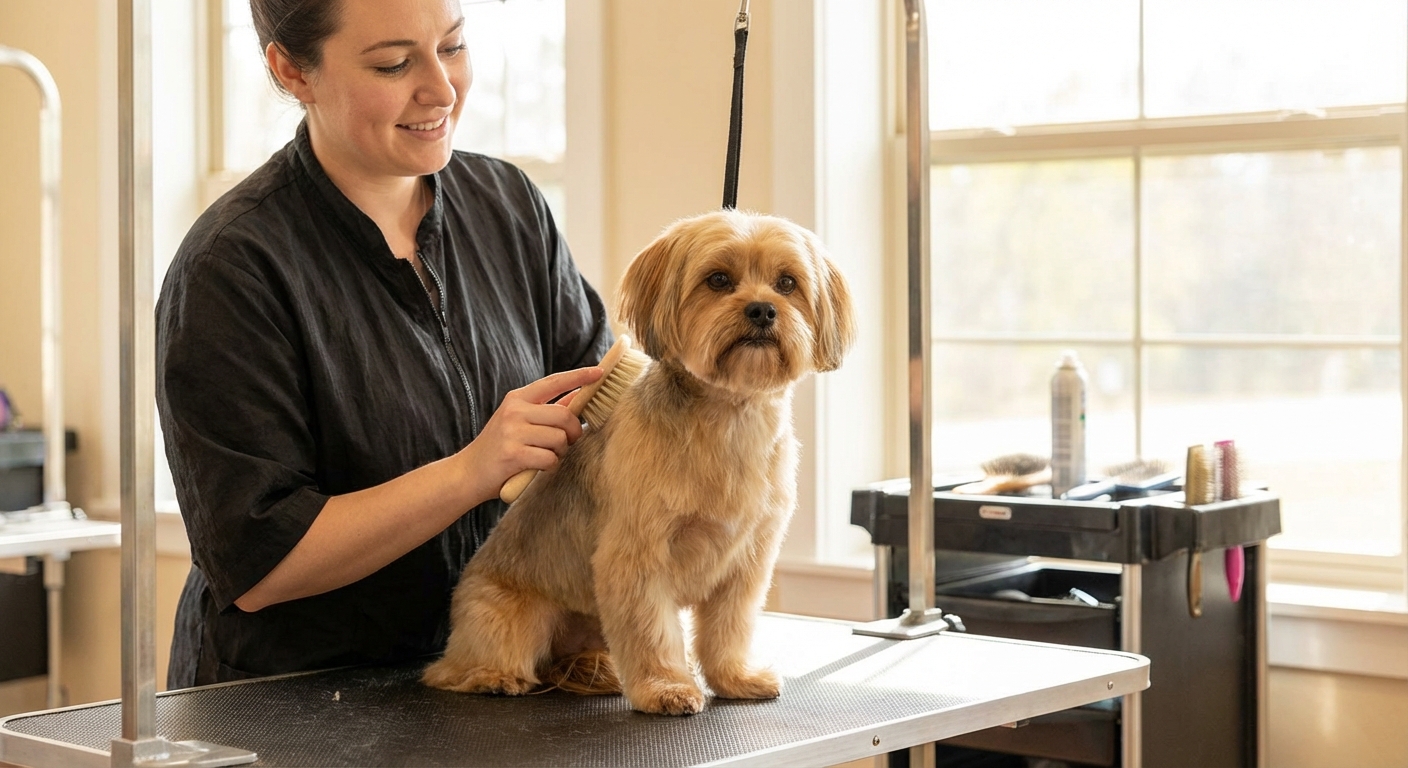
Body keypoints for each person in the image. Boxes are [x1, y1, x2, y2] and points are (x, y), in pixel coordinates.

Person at [156, 0, 612, 688]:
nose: (442, 89)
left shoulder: (510, 205)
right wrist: (471, 471)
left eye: (453, 48)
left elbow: (597, 412)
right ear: (290, 69)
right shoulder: (232, 266)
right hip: (293, 708)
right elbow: (260, 562)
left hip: (494, 685)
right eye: (394, 64)